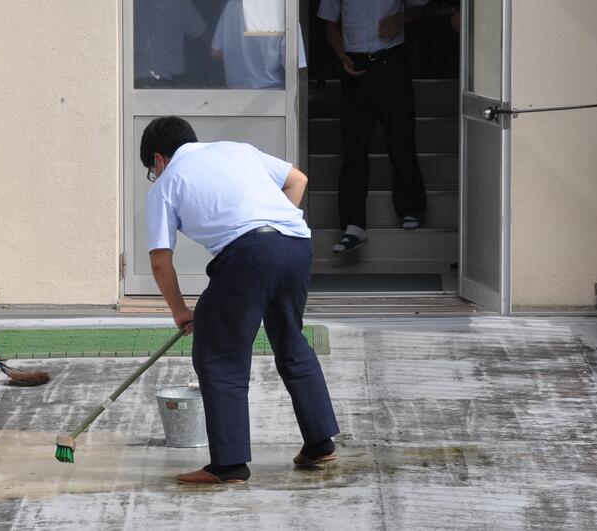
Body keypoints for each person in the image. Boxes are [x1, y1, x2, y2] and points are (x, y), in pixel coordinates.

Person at [142, 116, 340, 485]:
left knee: (218, 354)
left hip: (248, 254)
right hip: (296, 245)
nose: (155, 176)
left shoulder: (167, 183)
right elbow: (298, 180)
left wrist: (180, 311)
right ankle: (319, 444)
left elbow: (159, 260)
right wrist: (273, 230)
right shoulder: (237, 150)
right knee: (290, 340)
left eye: (152, 171)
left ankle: (229, 464)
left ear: (158, 159)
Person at [318, 0, 429, 253]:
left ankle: (411, 207)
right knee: (353, 147)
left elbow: (419, 9)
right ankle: (353, 225)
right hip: (355, 65)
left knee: (400, 138)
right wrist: (341, 56)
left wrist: (401, 18)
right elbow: (330, 24)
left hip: (392, 62)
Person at [211, 0, 307, 90]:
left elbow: (216, 52)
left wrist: (242, 58)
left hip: (234, 95)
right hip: (275, 97)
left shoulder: (232, 5)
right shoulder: (286, 11)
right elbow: (296, 69)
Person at [134, 0, 207, 88]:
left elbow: (201, 32)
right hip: (140, 84)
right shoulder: (130, 4)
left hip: (151, 83)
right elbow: (205, 37)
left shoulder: (130, 4)